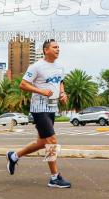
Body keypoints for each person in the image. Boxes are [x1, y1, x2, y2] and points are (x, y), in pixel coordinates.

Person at [6, 39, 71, 188]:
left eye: (58, 47)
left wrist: (63, 93)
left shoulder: (60, 67)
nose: (58, 49)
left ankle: (14, 156)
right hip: (39, 108)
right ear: (45, 50)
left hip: (51, 108)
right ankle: (54, 177)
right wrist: (41, 91)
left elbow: (60, 82)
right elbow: (23, 84)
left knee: (42, 142)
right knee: (52, 141)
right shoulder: (36, 66)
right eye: (55, 47)